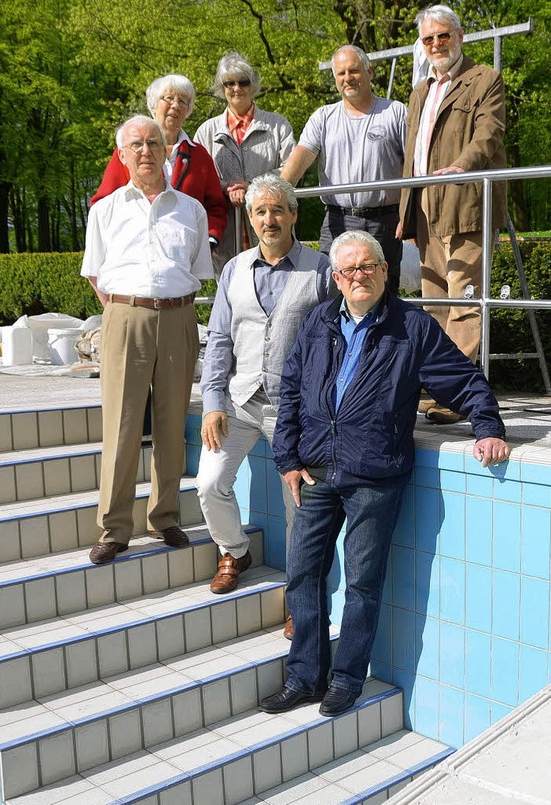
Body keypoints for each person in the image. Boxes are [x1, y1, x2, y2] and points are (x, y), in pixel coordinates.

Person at [259, 230, 510, 716]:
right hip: (315, 469)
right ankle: (305, 675)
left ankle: (348, 678)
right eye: (349, 269)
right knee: (304, 575)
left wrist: (488, 427)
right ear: (336, 277)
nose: (360, 276)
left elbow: (462, 379)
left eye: (368, 266)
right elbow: (290, 391)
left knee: (363, 582)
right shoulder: (318, 323)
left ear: (384, 270)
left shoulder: (411, 327)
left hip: (374, 473)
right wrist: (287, 458)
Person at [196, 175, 334, 618]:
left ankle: (300, 598)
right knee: (210, 483)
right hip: (239, 403)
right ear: (251, 219)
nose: (269, 219)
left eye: (278, 210)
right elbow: (219, 339)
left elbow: (339, 339)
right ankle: (235, 551)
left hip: (297, 412)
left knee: (299, 508)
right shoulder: (234, 269)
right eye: (260, 212)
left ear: (294, 214)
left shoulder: (322, 270)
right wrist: (213, 401)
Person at [81, 116, 213, 564]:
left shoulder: (191, 209)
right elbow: (96, 273)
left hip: (178, 319)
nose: (145, 151)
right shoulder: (105, 210)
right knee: (121, 423)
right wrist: (127, 308)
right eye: (135, 144)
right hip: (124, 317)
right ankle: (114, 527)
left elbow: (196, 271)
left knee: (172, 422)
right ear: (122, 155)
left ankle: (165, 516)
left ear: (166, 152)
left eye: (153, 143)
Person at [398, 5, 507, 424]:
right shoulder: (420, 90)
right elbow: (412, 155)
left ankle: (459, 395)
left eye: (443, 36)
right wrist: (406, 209)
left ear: (460, 36)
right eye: (428, 39)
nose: (436, 44)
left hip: (467, 200)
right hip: (427, 206)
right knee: (434, 306)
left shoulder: (484, 79)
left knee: (464, 302)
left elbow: (489, 132)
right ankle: (440, 384)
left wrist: (464, 164)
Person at [280, 46, 406, 293]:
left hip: (385, 221)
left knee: (382, 297)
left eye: (354, 70)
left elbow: (415, 165)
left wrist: (410, 216)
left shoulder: (395, 112)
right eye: (341, 73)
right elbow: (301, 157)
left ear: (369, 72)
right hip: (337, 221)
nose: (347, 78)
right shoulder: (323, 117)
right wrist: (278, 194)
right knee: (332, 294)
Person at [91, 74, 227, 250]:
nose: (175, 105)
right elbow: (102, 205)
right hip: (135, 252)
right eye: (169, 98)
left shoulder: (199, 156)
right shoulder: (128, 152)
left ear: (188, 110)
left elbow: (215, 207)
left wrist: (209, 240)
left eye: (183, 101)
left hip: (185, 257)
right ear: (153, 106)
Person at [194, 52, 296, 276]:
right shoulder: (206, 131)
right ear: (222, 89)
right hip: (227, 231)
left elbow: (292, 168)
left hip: (271, 224)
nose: (236, 88)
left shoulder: (278, 125)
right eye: (229, 83)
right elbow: (201, 176)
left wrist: (253, 186)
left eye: (243, 82)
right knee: (232, 291)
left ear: (253, 85)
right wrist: (227, 187)